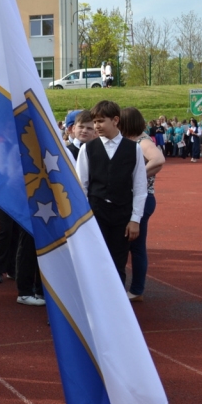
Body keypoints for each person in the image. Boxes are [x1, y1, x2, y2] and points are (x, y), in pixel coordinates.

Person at [76, 100, 147, 285]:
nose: (96, 126)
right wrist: (84, 218)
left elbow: (140, 187)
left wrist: (135, 219)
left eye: (100, 121)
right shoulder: (87, 149)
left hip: (122, 216)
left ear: (115, 120)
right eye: (94, 122)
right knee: (94, 262)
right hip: (95, 214)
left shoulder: (134, 149)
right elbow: (81, 186)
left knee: (118, 263)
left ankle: (117, 309)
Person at [120, 107, 164, 302]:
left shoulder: (142, 141)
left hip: (143, 198)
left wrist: (137, 176)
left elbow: (159, 159)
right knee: (129, 245)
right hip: (131, 198)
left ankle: (137, 289)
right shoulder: (129, 141)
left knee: (136, 246)